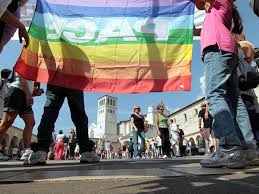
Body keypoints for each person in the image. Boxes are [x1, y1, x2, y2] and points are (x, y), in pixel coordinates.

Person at [196, 0, 257, 168]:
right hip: (226, 51)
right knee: (234, 100)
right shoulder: (218, 10)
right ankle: (248, 149)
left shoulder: (220, 2)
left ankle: (229, 148)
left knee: (215, 95)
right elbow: (199, 12)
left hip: (217, 49)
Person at [27, 84, 100, 165]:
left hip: (56, 77)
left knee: (49, 112)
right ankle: (86, 152)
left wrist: (36, 83)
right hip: (74, 76)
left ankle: (40, 150)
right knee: (79, 114)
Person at [0, 71, 42, 162]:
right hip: (16, 92)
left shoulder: (36, 68)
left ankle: (26, 151)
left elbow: (29, 84)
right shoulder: (27, 58)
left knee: (31, 122)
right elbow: (21, 77)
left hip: (25, 95)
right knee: (7, 122)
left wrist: (33, 93)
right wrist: (28, 94)